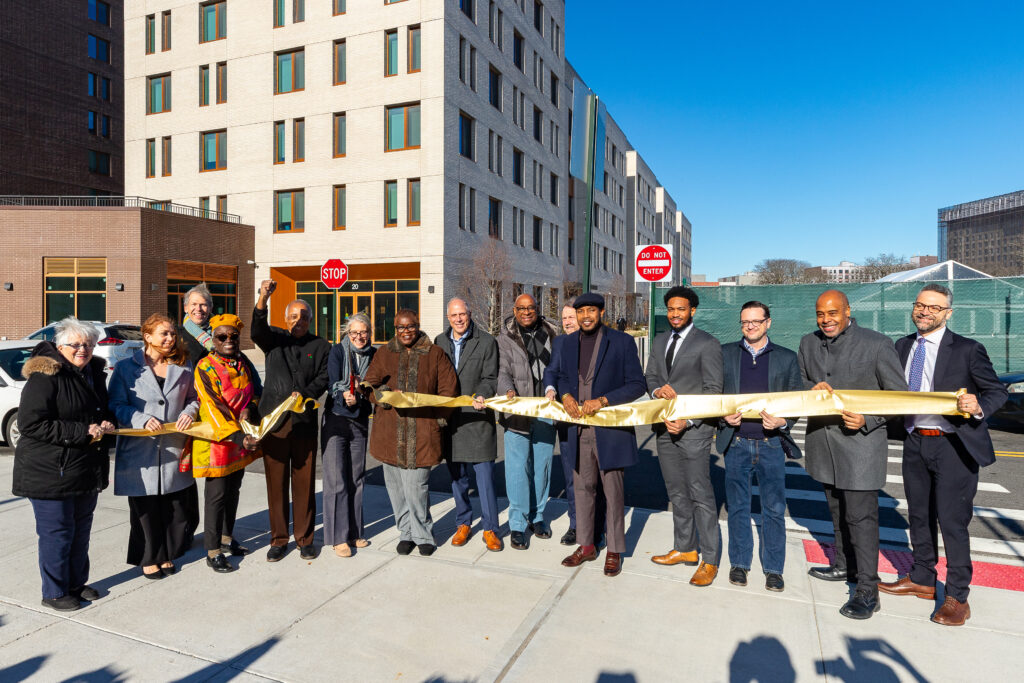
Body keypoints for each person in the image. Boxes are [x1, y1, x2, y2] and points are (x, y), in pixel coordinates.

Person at [879, 284, 1007, 626]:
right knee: (919, 516)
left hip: (954, 445)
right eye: (920, 305)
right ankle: (921, 578)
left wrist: (978, 405)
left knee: (952, 522)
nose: (925, 312)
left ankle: (957, 597)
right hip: (914, 442)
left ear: (948, 313)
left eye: (934, 308)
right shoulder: (902, 346)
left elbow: (996, 391)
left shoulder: (967, 349)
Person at [798, 289, 908, 620]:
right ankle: (844, 567)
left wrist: (868, 419)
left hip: (860, 446)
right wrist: (810, 390)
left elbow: (899, 395)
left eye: (832, 313)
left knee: (861, 519)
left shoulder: (876, 343)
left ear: (848, 311)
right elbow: (801, 381)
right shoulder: (807, 343)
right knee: (836, 512)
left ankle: (867, 590)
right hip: (823, 444)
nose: (826, 320)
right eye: (820, 314)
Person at [12, 317, 115, 611]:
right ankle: (54, 592)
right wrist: (81, 431)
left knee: (80, 531)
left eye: (89, 344)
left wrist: (105, 423)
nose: (83, 349)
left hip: (83, 468)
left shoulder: (93, 373)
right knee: (57, 534)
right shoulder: (45, 376)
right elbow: (30, 424)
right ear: (60, 347)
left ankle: (75, 584)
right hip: (49, 471)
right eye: (76, 344)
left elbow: (98, 411)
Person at [546, 293, 647, 577]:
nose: (586, 316)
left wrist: (602, 400)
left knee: (613, 491)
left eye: (591, 310)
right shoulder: (564, 342)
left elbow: (637, 384)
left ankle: (614, 549)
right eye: (581, 312)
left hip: (609, 429)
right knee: (582, 489)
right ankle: (586, 545)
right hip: (577, 430)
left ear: (601, 312)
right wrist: (564, 394)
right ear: (575, 315)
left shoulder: (622, 342)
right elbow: (559, 376)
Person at [716, 302, 803, 592]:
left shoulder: (787, 358)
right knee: (738, 508)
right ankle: (739, 564)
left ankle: (774, 569)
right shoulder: (726, 354)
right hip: (737, 443)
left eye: (756, 321)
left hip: (771, 445)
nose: (750, 326)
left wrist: (783, 420)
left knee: (774, 509)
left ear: (768, 323)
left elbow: (796, 400)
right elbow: (714, 393)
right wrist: (722, 415)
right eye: (745, 322)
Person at [109, 314, 200, 579]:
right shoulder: (127, 368)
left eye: (172, 333)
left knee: (173, 506)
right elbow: (115, 404)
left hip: (173, 447)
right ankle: (149, 557)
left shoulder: (184, 366)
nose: (170, 339)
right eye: (164, 334)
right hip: (140, 450)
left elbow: (194, 398)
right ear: (147, 337)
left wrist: (191, 412)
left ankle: (166, 553)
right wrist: (140, 418)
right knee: (145, 509)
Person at [644, 286, 724, 586]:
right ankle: (685, 548)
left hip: (694, 432)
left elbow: (714, 391)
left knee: (700, 494)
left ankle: (710, 559)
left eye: (681, 309)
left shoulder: (707, 343)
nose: (675, 314)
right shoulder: (660, 339)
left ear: (693, 310)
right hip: (664, 429)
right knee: (676, 492)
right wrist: (656, 390)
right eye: (671, 309)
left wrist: (687, 420)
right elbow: (651, 375)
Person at [363, 310, 458, 556]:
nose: (406, 332)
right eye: (400, 328)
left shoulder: (435, 353)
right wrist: (381, 395)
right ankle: (406, 532)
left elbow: (449, 390)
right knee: (396, 489)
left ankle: (423, 534)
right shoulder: (385, 353)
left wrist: (439, 419)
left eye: (410, 327)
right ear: (395, 329)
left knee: (417, 488)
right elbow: (369, 384)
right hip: (389, 433)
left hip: (423, 431)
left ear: (418, 325)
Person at [252, 280, 330, 562]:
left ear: (311, 319)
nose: (299, 321)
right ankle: (278, 539)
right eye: (294, 316)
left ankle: (305, 539)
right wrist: (263, 298)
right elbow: (256, 329)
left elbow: (324, 376)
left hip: (303, 423)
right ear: (285, 319)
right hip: (274, 424)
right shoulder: (274, 339)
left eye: (304, 316)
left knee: (304, 482)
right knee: (276, 483)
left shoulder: (321, 345)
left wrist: (305, 394)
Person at [193, 314, 262, 572]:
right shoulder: (205, 366)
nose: (229, 341)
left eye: (233, 336)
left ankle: (226, 538)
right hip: (219, 439)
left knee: (234, 490)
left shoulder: (241, 361)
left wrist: (250, 409)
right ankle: (212, 550)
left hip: (240, 438)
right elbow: (212, 406)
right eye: (222, 337)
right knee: (217, 495)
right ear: (213, 339)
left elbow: (255, 391)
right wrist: (238, 436)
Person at [435, 298, 502, 552]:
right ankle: (463, 522)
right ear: (448, 317)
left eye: (463, 314)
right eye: (454, 315)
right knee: (458, 479)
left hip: (477, 419)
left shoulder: (486, 341)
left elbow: (490, 377)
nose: (459, 319)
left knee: (484, 478)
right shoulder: (440, 342)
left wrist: (483, 392)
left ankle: (490, 529)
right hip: (452, 422)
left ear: (470, 314)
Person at [497, 293, 560, 550]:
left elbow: (559, 368)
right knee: (517, 470)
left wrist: (555, 388)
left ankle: (538, 516)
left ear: (537, 309)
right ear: (514, 309)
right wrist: (507, 390)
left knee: (542, 467)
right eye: (521, 308)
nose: (526, 312)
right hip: (517, 413)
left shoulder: (553, 333)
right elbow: (501, 370)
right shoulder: (504, 338)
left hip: (546, 410)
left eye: (530, 308)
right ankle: (518, 524)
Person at [548, 301, 606, 546]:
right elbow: (552, 371)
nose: (568, 322)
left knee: (599, 479)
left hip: (599, 422)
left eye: (571, 317)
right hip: (570, 422)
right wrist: (552, 390)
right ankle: (576, 525)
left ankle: (598, 528)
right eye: (564, 319)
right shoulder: (560, 343)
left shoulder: (601, 341)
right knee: (573, 476)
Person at [322, 313, 376, 558]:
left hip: (360, 421)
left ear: (370, 333)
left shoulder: (374, 356)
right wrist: (345, 394)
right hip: (336, 419)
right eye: (354, 332)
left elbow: (376, 385)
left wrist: (363, 396)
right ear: (347, 333)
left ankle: (355, 532)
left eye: (363, 332)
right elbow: (333, 382)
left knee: (356, 478)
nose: (359, 337)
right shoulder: (338, 351)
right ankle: (338, 537)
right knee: (337, 480)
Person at [178, 283, 215, 365]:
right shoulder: (176, 336)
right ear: (186, 308)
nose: (198, 309)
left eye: (203, 305)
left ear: (210, 308)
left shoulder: (220, 332)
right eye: (194, 304)